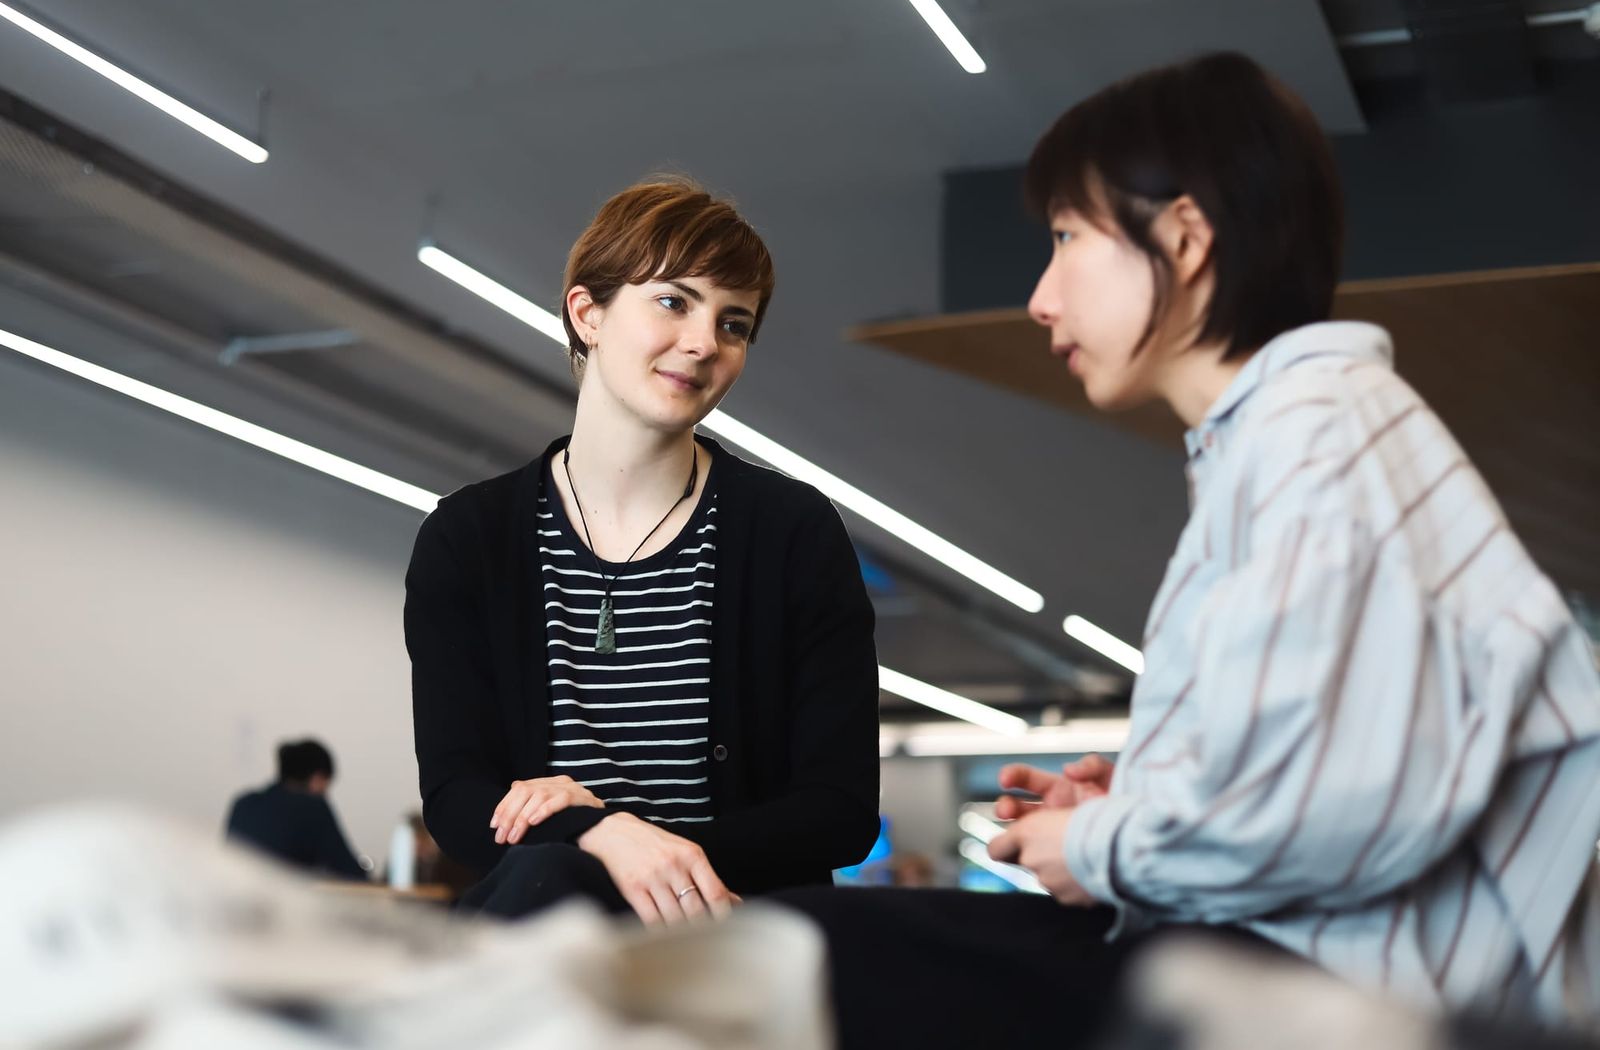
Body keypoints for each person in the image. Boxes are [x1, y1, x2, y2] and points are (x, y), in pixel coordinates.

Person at [774, 51, 1600, 1044]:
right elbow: (1347, 755)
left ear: (1184, 236)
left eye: (1068, 237)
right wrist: (1152, 802)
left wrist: (1107, 841)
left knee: (800, 953)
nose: (1039, 297)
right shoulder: (1288, 443)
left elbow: (1346, 804)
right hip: (1304, 964)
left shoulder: (1319, 437)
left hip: (1353, 1000)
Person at [405, 178, 880, 926]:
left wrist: (642, 848)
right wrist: (598, 834)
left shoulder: (791, 533)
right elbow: (460, 798)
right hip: (549, 943)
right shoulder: (470, 539)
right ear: (587, 312)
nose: (703, 343)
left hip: (732, 945)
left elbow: (840, 810)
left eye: (735, 324)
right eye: (674, 301)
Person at [224, 738, 367, 880]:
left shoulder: (243, 803)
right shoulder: (313, 808)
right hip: (282, 900)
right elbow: (349, 872)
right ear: (317, 779)